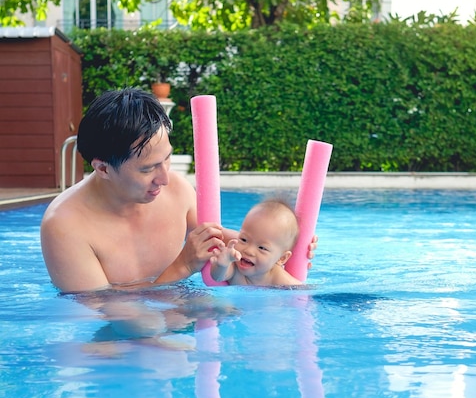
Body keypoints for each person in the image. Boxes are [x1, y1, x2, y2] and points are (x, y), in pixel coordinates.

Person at [40, 87, 316, 293]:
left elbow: (219, 239)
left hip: (180, 310)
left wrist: (275, 249)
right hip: (116, 345)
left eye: (167, 159)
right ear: (102, 169)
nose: (165, 178)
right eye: (148, 169)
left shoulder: (177, 191)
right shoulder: (66, 226)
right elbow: (110, 314)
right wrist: (183, 266)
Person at [210, 198, 302, 286]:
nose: (248, 251)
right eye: (243, 240)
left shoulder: (278, 279)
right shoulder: (235, 266)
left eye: (262, 248)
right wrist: (222, 264)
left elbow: (302, 293)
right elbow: (218, 277)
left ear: (281, 258)